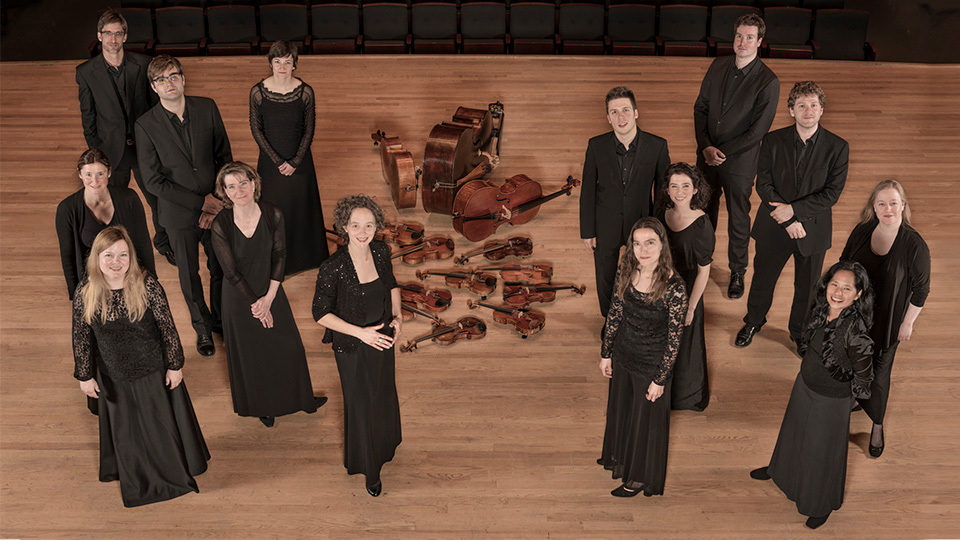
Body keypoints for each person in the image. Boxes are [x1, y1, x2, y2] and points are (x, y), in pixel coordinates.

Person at [72, 226, 209, 507]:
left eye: (123, 254)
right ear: (96, 258)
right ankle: (136, 477)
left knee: (161, 430)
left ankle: (170, 475)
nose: (116, 261)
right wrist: (84, 376)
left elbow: (167, 328)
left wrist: (175, 365)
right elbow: (81, 337)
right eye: (108, 255)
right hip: (113, 375)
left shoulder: (147, 285)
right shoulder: (85, 291)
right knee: (127, 435)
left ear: (131, 257)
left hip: (153, 371)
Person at [750, 261, 875, 529]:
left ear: (859, 294)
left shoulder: (856, 333)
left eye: (847, 288)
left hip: (831, 400)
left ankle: (820, 504)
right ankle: (779, 473)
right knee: (792, 434)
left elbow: (864, 379)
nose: (838, 292)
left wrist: (843, 404)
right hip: (804, 385)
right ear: (826, 285)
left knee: (821, 454)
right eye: (834, 284)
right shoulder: (821, 309)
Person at [211, 162, 327, 428]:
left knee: (289, 346)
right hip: (240, 298)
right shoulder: (221, 224)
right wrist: (257, 305)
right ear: (225, 192)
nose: (239, 190)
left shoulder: (273, 213)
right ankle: (263, 406)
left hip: (270, 288)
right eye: (231, 186)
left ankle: (302, 399)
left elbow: (280, 256)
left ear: (254, 183)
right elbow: (230, 273)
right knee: (253, 353)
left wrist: (270, 297)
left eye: (243, 183)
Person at [736, 81, 850, 349]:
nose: (807, 110)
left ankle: (799, 333)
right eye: (801, 105)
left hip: (813, 230)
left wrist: (795, 212)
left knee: (808, 288)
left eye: (813, 105)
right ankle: (753, 321)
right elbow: (763, 184)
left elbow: (831, 193)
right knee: (763, 280)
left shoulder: (838, 147)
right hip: (774, 226)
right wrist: (787, 220)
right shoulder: (773, 141)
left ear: (821, 110)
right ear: (791, 110)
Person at [136, 54, 233, 357]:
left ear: (183, 78)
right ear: (154, 87)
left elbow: (224, 157)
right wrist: (199, 204)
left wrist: (216, 199)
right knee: (189, 275)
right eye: (162, 79)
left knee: (220, 267)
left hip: (215, 205)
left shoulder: (206, 108)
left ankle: (220, 320)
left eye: (174, 76)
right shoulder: (146, 125)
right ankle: (202, 329)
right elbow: (153, 181)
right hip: (178, 214)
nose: (170, 83)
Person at [313, 195, 403, 498]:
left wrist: (398, 316)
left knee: (383, 392)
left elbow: (391, 284)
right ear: (344, 227)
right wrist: (361, 334)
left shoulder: (380, 251)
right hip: (352, 346)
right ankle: (370, 470)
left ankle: (386, 446)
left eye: (368, 225)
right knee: (361, 404)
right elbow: (320, 314)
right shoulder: (333, 267)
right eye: (355, 225)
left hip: (383, 337)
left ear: (376, 225)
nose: (363, 231)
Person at [57, 148, 156, 415]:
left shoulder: (128, 198)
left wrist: (151, 284)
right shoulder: (68, 209)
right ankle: (105, 398)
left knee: (137, 335)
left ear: (110, 173)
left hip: (130, 282)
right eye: (88, 174)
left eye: (100, 173)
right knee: (99, 342)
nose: (95, 180)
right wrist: (76, 300)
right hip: (94, 289)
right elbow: (68, 257)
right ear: (80, 174)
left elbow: (143, 243)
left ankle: (141, 390)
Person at [597, 217, 687, 497]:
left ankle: (638, 479)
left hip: (651, 365)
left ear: (662, 245)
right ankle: (621, 459)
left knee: (645, 424)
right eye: (637, 243)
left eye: (650, 243)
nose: (642, 249)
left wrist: (660, 379)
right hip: (624, 355)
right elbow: (614, 313)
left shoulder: (675, 288)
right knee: (623, 414)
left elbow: (674, 340)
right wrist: (606, 353)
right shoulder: (627, 269)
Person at [840, 180, 930, 458]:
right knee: (851, 362)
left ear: (903, 205)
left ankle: (876, 424)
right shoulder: (862, 230)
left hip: (888, 322)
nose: (888, 208)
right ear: (874, 207)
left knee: (879, 376)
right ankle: (852, 399)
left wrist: (908, 322)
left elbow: (921, 289)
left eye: (893, 202)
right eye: (881, 203)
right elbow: (844, 264)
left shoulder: (914, 244)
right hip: (855, 315)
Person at [694, 13, 780, 300]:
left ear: (760, 42)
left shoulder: (768, 81)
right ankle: (700, 264)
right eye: (739, 36)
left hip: (739, 162)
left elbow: (758, 131)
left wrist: (722, 153)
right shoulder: (717, 66)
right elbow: (701, 109)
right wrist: (706, 146)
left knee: (738, 218)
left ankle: (738, 271)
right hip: (707, 155)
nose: (743, 42)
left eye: (750, 37)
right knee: (703, 212)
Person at [76, 9, 171, 264]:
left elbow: (155, 109)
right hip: (110, 150)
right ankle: (116, 249)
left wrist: (158, 142)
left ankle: (164, 242)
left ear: (125, 36)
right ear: (99, 36)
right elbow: (88, 116)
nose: (113, 39)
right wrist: (97, 152)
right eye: (108, 33)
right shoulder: (85, 72)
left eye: (118, 33)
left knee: (156, 198)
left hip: (143, 147)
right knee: (111, 203)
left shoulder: (143, 64)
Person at [581, 86, 670, 319]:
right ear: (608, 117)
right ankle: (609, 320)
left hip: (641, 224)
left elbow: (662, 192)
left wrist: (659, 232)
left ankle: (632, 318)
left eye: (625, 110)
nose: (621, 117)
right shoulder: (596, 146)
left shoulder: (657, 146)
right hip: (604, 224)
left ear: (636, 113)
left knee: (640, 275)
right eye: (614, 112)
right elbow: (588, 190)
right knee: (605, 277)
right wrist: (587, 231)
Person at [249, 40, 329, 276]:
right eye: (277, 62)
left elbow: (308, 130)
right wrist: (278, 161)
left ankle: (305, 259)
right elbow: (257, 130)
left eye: (287, 62)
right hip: (270, 163)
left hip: (300, 161)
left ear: (294, 64)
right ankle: (276, 260)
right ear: (270, 63)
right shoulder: (257, 92)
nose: (282, 67)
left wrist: (295, 161)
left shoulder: (305, 92)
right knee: (273, 211)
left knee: (300, 208)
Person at [656, 163, 714, 411]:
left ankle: (684, 397)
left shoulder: (701, 224)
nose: (679, 191)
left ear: (695, 190)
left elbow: (704, 271)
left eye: (685, 186)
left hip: (689, 288)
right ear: (667, 190)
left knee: (683, 343)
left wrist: (690, 307)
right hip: (661, 285)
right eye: (674, 186)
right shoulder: (661, 213)